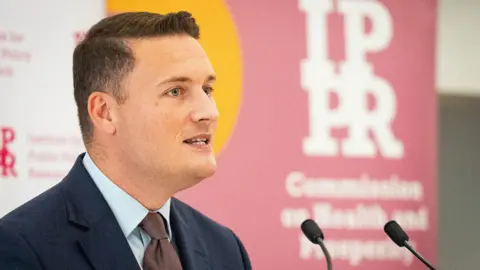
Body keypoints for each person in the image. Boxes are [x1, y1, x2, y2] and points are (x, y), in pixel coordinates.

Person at [0, 11, 252, 270]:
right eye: (175, 91)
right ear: (104, 112)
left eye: (207, 90)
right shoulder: (21, 248)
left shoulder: (226, 248)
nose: (209, 113)